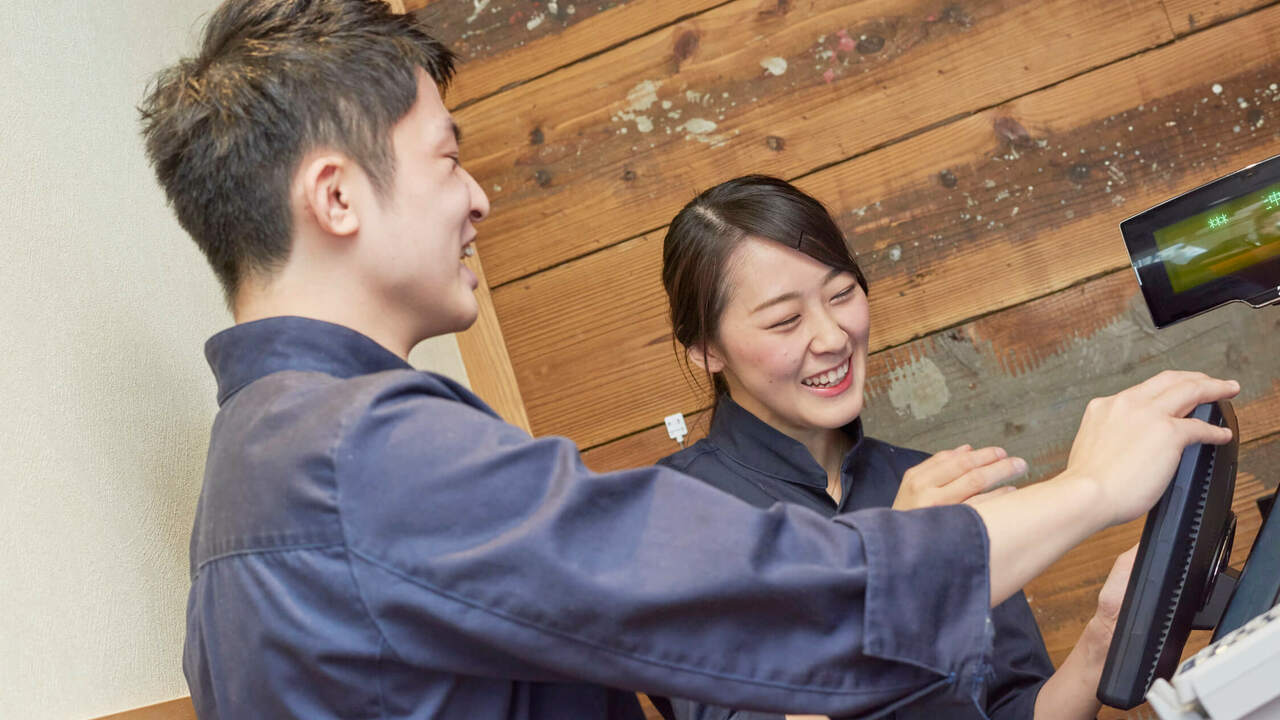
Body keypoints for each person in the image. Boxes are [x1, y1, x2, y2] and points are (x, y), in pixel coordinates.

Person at [138, 1, 1238, 718]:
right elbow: (775, 600)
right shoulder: (359, 452)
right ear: (335, 196)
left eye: (839, 294)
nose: (476, 199)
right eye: (446, 160)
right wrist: (1089, 490)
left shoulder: (267, 462)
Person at [657, 175, 1144, 720]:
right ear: (707, 350)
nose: (833, 337)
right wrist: (900, 568)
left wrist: (1101, 645)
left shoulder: (934, 485)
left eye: (842, 294)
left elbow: (1012, 707)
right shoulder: (668, 519)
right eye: (785, 320)